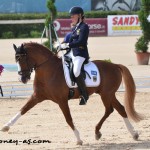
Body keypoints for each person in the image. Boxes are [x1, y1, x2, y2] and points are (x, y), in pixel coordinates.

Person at [60, 6, 90, 105]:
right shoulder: (75, 28)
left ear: (80, 16)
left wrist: (68, 44)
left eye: (73, 16)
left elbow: (81, 41)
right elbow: (70, 39)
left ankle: (84, 94)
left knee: (76, 71)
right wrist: (62, 46)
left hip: (80, 54)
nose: (71, 18)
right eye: (71, 16)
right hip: (72, 53)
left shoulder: (84, 27)